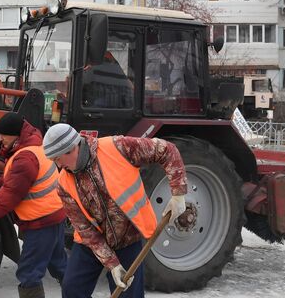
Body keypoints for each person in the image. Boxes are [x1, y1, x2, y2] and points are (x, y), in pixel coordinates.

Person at [42, 123, 188, 298]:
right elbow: (84, 229)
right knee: (72, 289)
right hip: (91, 244)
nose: (58, 165)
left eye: (57, 158)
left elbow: (166, 150)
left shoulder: (117, 147)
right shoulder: (64, 185)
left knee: (128, 294)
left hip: (127, 238)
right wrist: (112, 264)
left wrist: (178, 193)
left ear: (72, 148)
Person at [0, 112, 67, 298]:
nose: (0, 138)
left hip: (41, 223)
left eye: (4, 134)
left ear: (16, 135)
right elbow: (16, 176)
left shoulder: (24, 158)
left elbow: (7, 200)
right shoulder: (34, 146)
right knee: (60, 266)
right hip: (55, 217)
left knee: (29, 274)